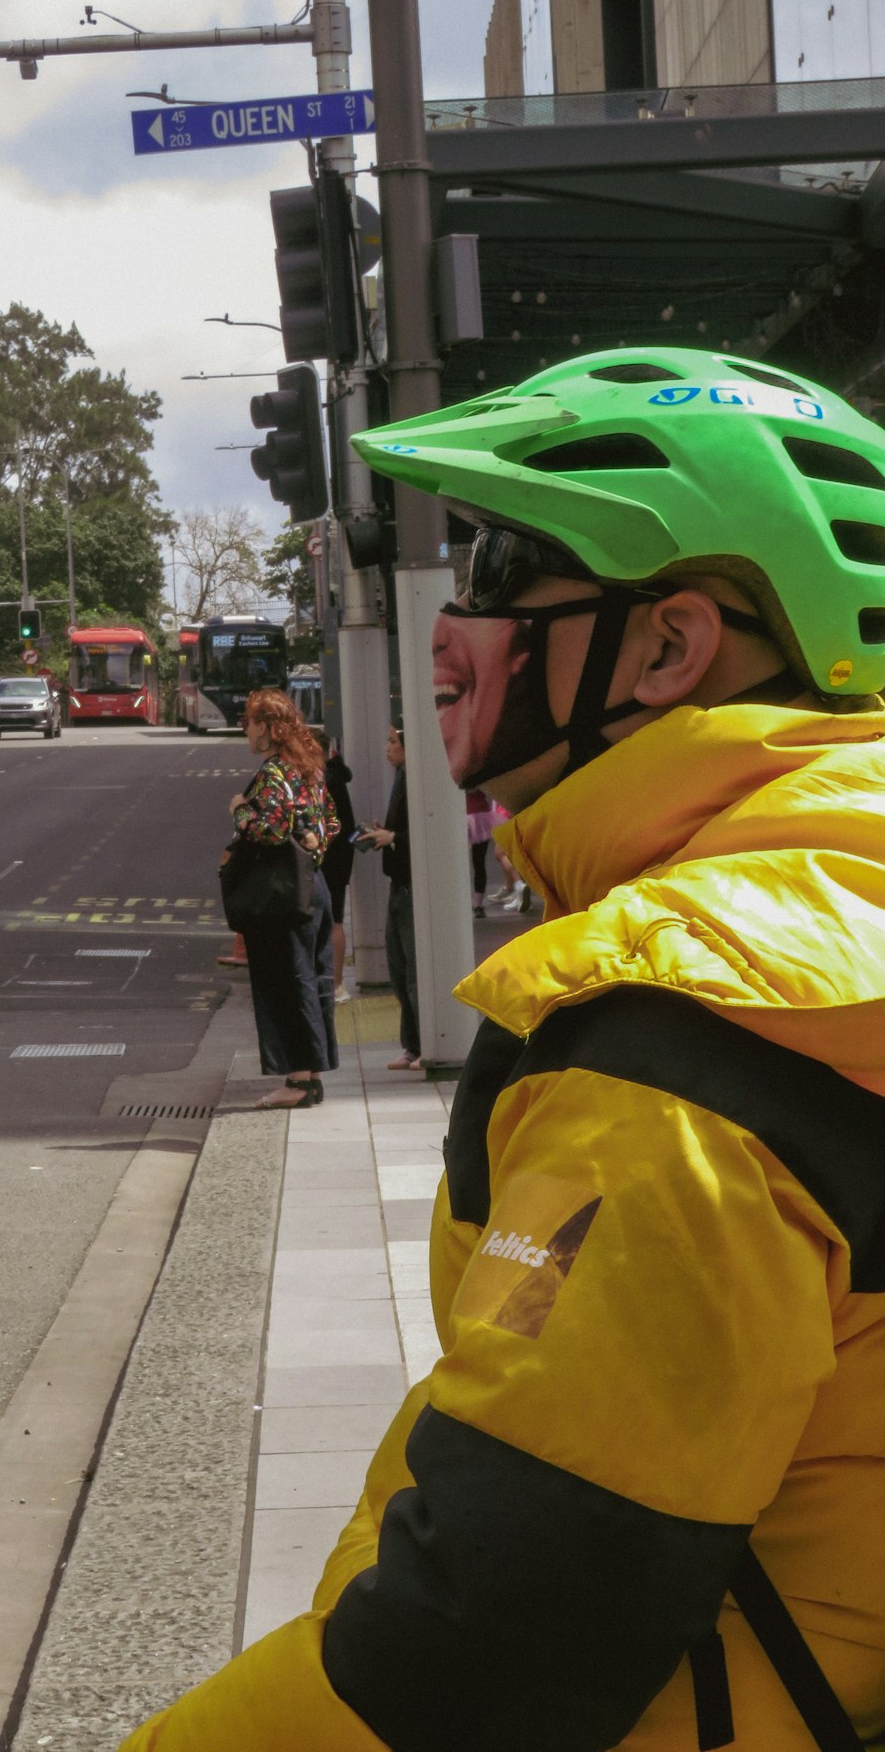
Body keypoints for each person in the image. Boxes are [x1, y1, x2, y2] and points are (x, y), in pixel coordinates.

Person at [119, 347, 885, 1751]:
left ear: (667, 646)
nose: (452, 626)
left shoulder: (681, 1044)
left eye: (499, 572)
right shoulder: (839, 907)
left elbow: (477, 1655)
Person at [229, 688, 339, 1110]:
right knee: (310, 981)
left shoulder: (275, 773)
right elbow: (331, 821)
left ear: (268, 729)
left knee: (286, 983)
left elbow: (271, 830)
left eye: (250, 723)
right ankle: (310, 1078)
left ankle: (296, 1080)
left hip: (282, 896)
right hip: (314, 887)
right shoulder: (307, 769)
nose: (246, 730)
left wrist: (240, 810)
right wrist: (314, 849)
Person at [363, 724, 421, 1071]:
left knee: (415, 971)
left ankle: (425, 1043)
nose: (387, 748)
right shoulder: (401, 777)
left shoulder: (418, 780)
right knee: (399, 969)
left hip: (412, 885)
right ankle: (411, 1045)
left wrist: (394, 837)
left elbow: (430, 830)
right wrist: (384, 833)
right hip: (397, 884)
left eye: (393, 742)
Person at [316, 730, 357, 1003]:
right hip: (338, 858)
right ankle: (334, 983)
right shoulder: (334, 777)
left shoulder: (327, 782)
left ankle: (337, 985)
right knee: (333, 919)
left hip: (332, 859)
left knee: (333, 921)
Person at [465, 787, 497, 918]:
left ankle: (477, 903)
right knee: (478, 863)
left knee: (478, 862)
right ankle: (477, 904)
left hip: (477, 815)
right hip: (478, 814)